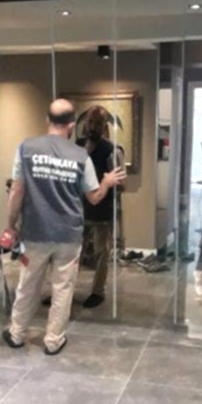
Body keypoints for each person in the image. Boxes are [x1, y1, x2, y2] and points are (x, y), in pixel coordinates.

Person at [2, 98, 126, 355]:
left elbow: (16, 190)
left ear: (47, 120)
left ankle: (16, 334)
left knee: (28, 285)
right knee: (62, 288)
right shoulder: (80, 156)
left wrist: (10, 226)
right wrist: (107, 182)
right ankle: (53, 340)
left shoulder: (26, 148)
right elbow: (94, 197)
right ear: (71, 125)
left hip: (35, 233)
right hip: (69, 236)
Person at [76, 106, 126, 308]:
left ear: (104, 125)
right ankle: (63, 290)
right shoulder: (77, 147)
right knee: (72, 254)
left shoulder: (111, 151)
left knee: (100, 253)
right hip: (79, 209)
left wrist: (107, 183)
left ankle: (98, 291)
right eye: (90, 122)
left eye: (97, 123)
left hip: (102, 211)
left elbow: (122, 183)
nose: (92, 127)